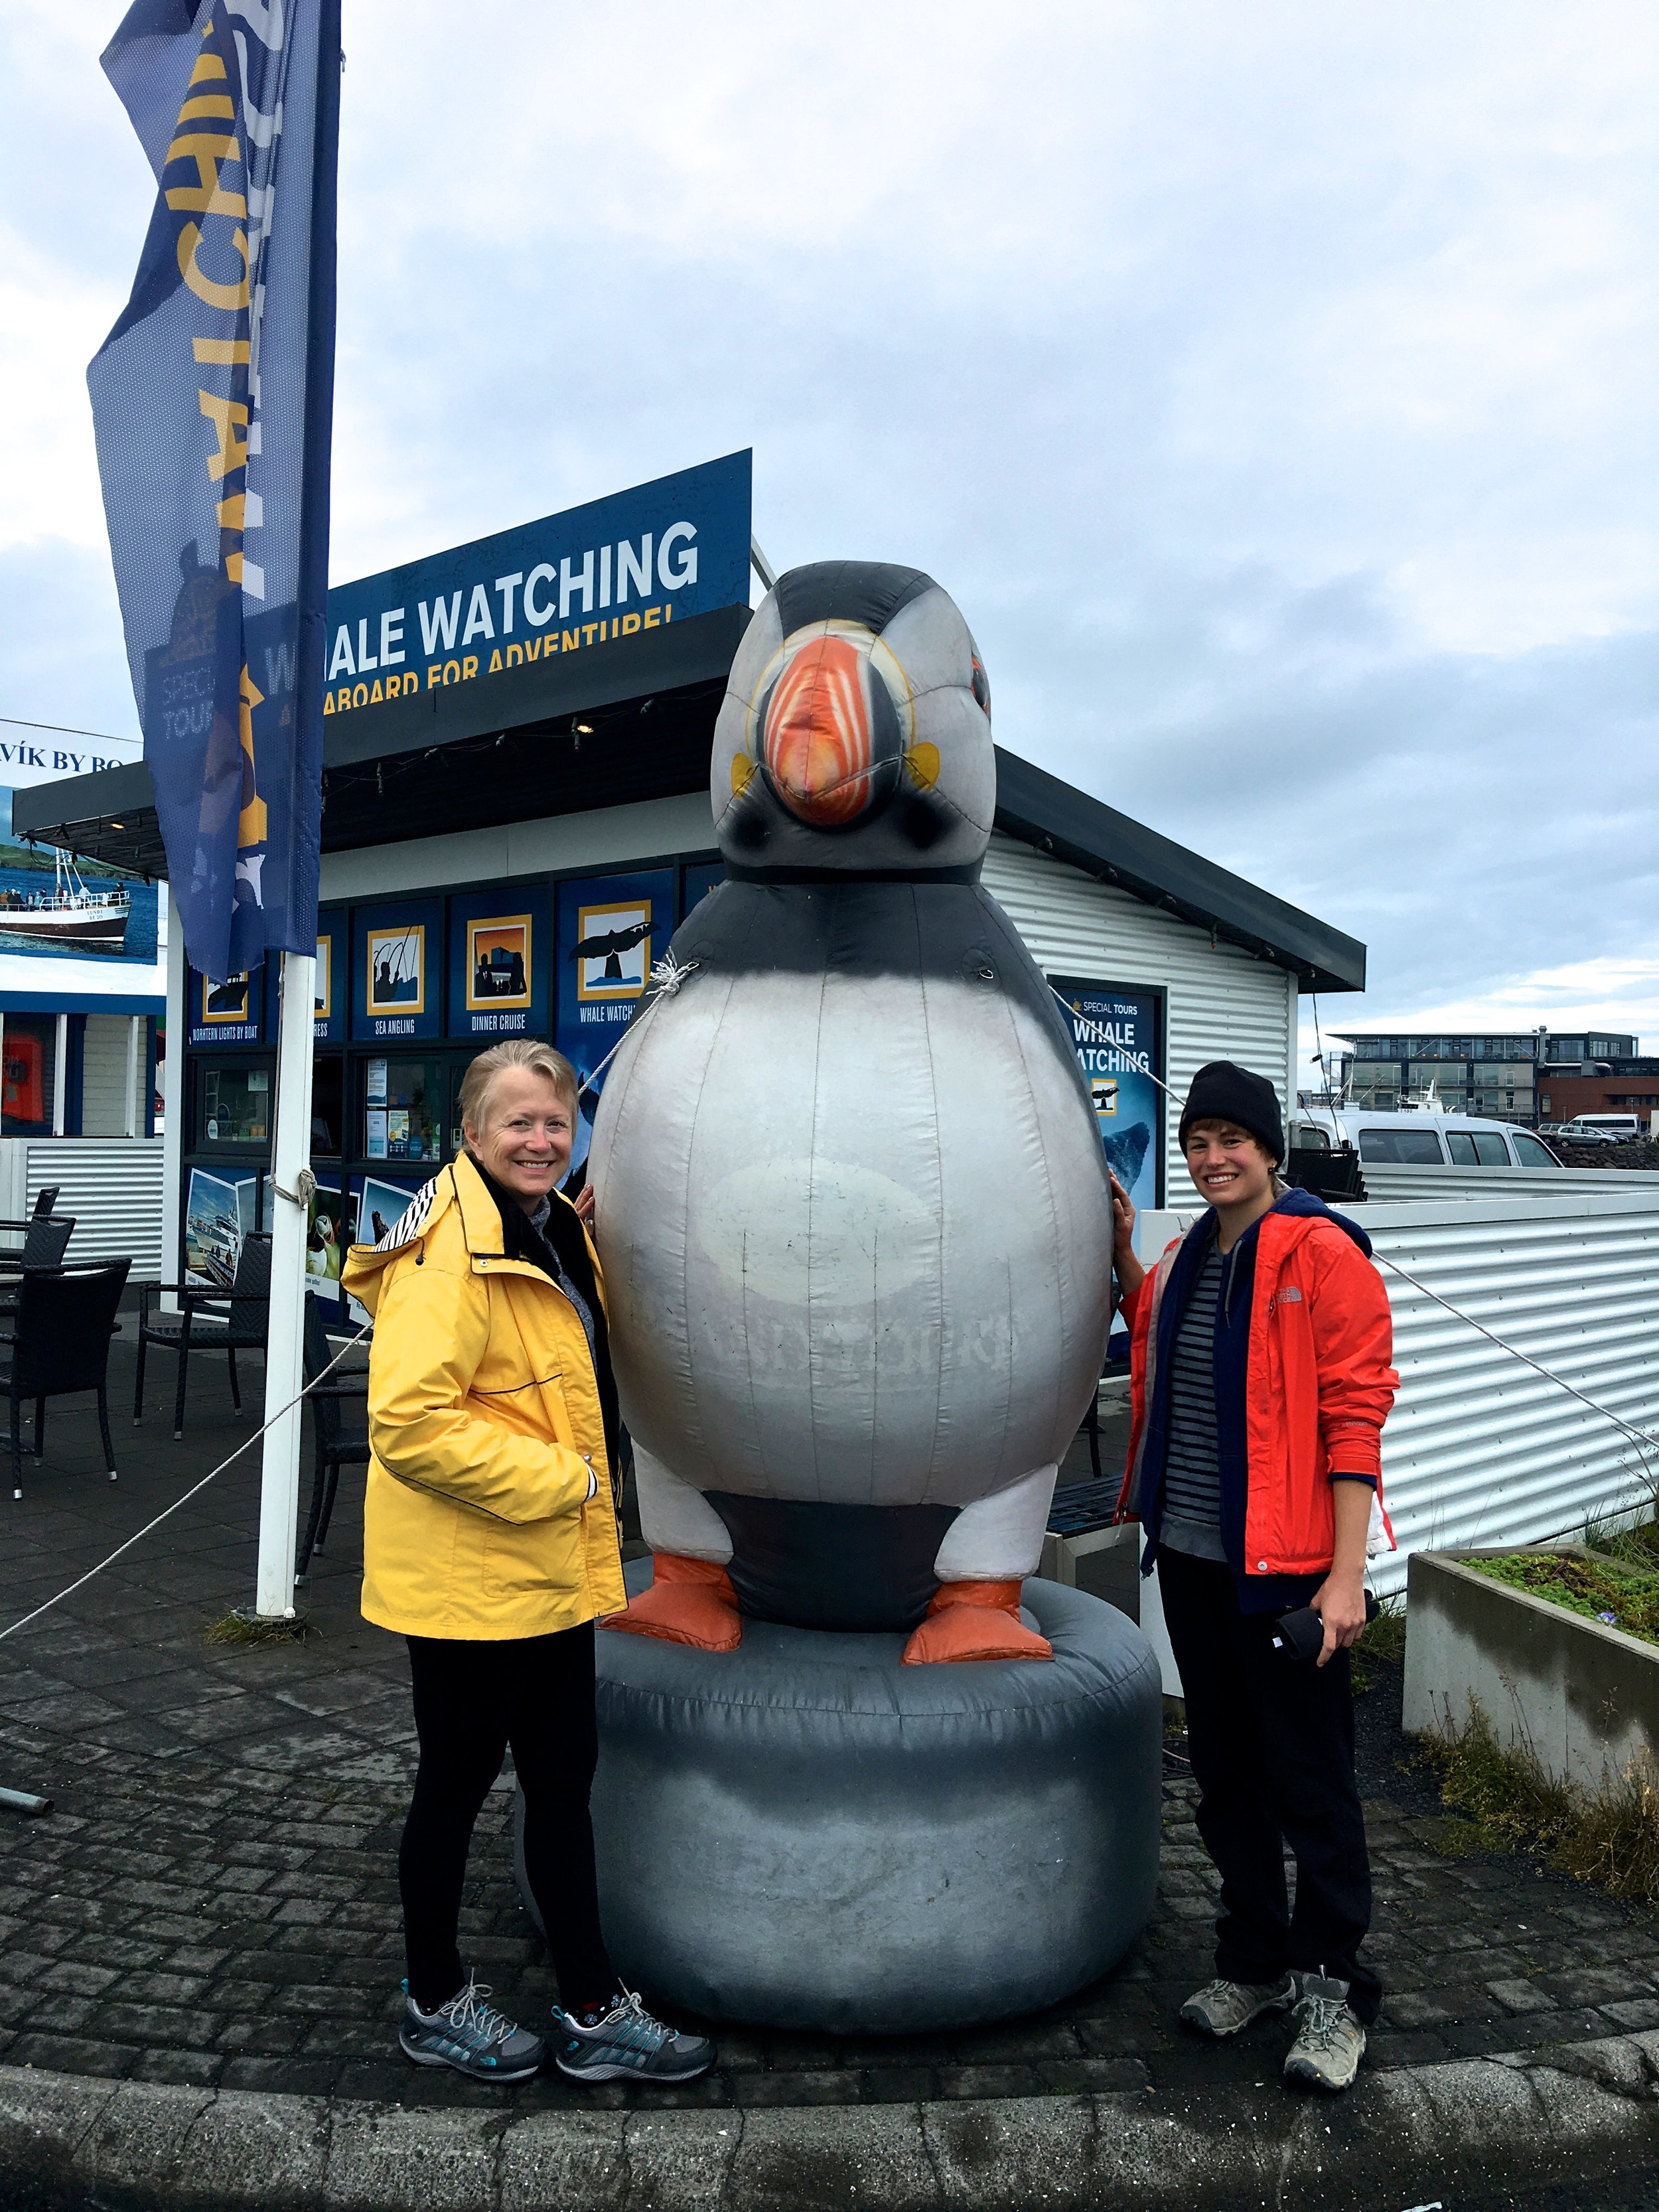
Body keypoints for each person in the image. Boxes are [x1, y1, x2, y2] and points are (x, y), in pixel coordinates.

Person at [341, 1038, 713, 2087]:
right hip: (469, 1585)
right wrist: (569, 1483)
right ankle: (430, 1994)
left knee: (562, 1788)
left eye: (555, 1123)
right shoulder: (447, 1253)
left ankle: (593, 2006)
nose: (541, 1139)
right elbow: (409, 1422)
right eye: (518, 1122)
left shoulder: (544, 1231)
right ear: (471, 1132)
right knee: (454, 1790)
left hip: (547, 1575)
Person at [1110, 1061, 1398, 2093]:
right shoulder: (1187, 1256)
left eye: (1233, 1137)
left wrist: (1345, 1578)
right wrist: (1116, 1239)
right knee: (1227, 1773)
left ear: (1271, 1147)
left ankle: (1332, 1990)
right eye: (1198, 1141)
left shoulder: (1321, 1251)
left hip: (1289, 1575)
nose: (1213, 1156)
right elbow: (1160, 1346)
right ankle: (1255, 1962)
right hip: (1191, 1561)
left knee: (1309, 1780)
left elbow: (1355, 1417)